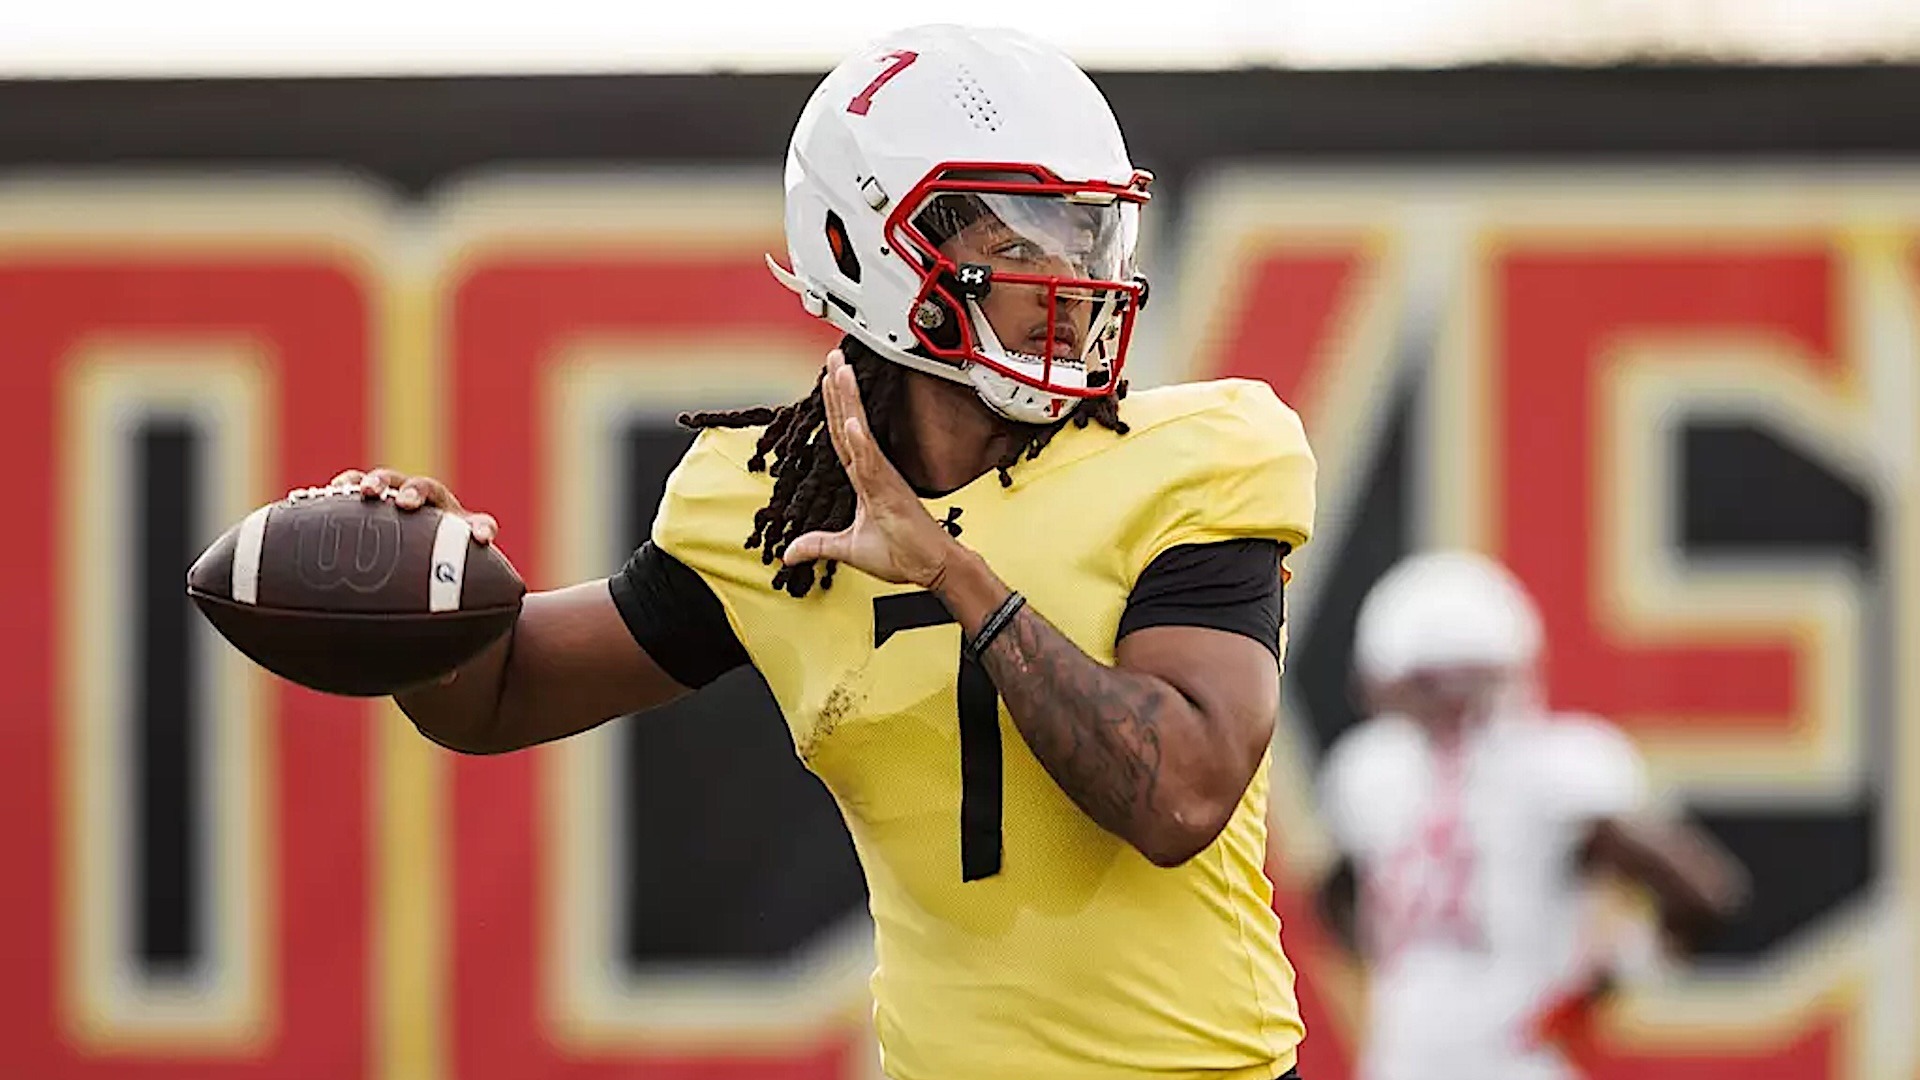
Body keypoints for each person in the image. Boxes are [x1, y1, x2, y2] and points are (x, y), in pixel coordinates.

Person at [332, 23, 1317, 1080]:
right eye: (1019, 239)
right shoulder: (766, 504)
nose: (1069, 280)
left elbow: (1178, 795)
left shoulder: (1198, 455)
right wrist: (422, 587)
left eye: (1082, 236)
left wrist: (952, 570)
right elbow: (497, 693)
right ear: (874, 249)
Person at [1315, 551, 1750, 1080]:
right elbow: (1336, 894)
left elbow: (1702, 892)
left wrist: (1617, 969)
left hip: (1506, 1058)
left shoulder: (1551, 776)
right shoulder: (1374, 774)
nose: (1448, 705)